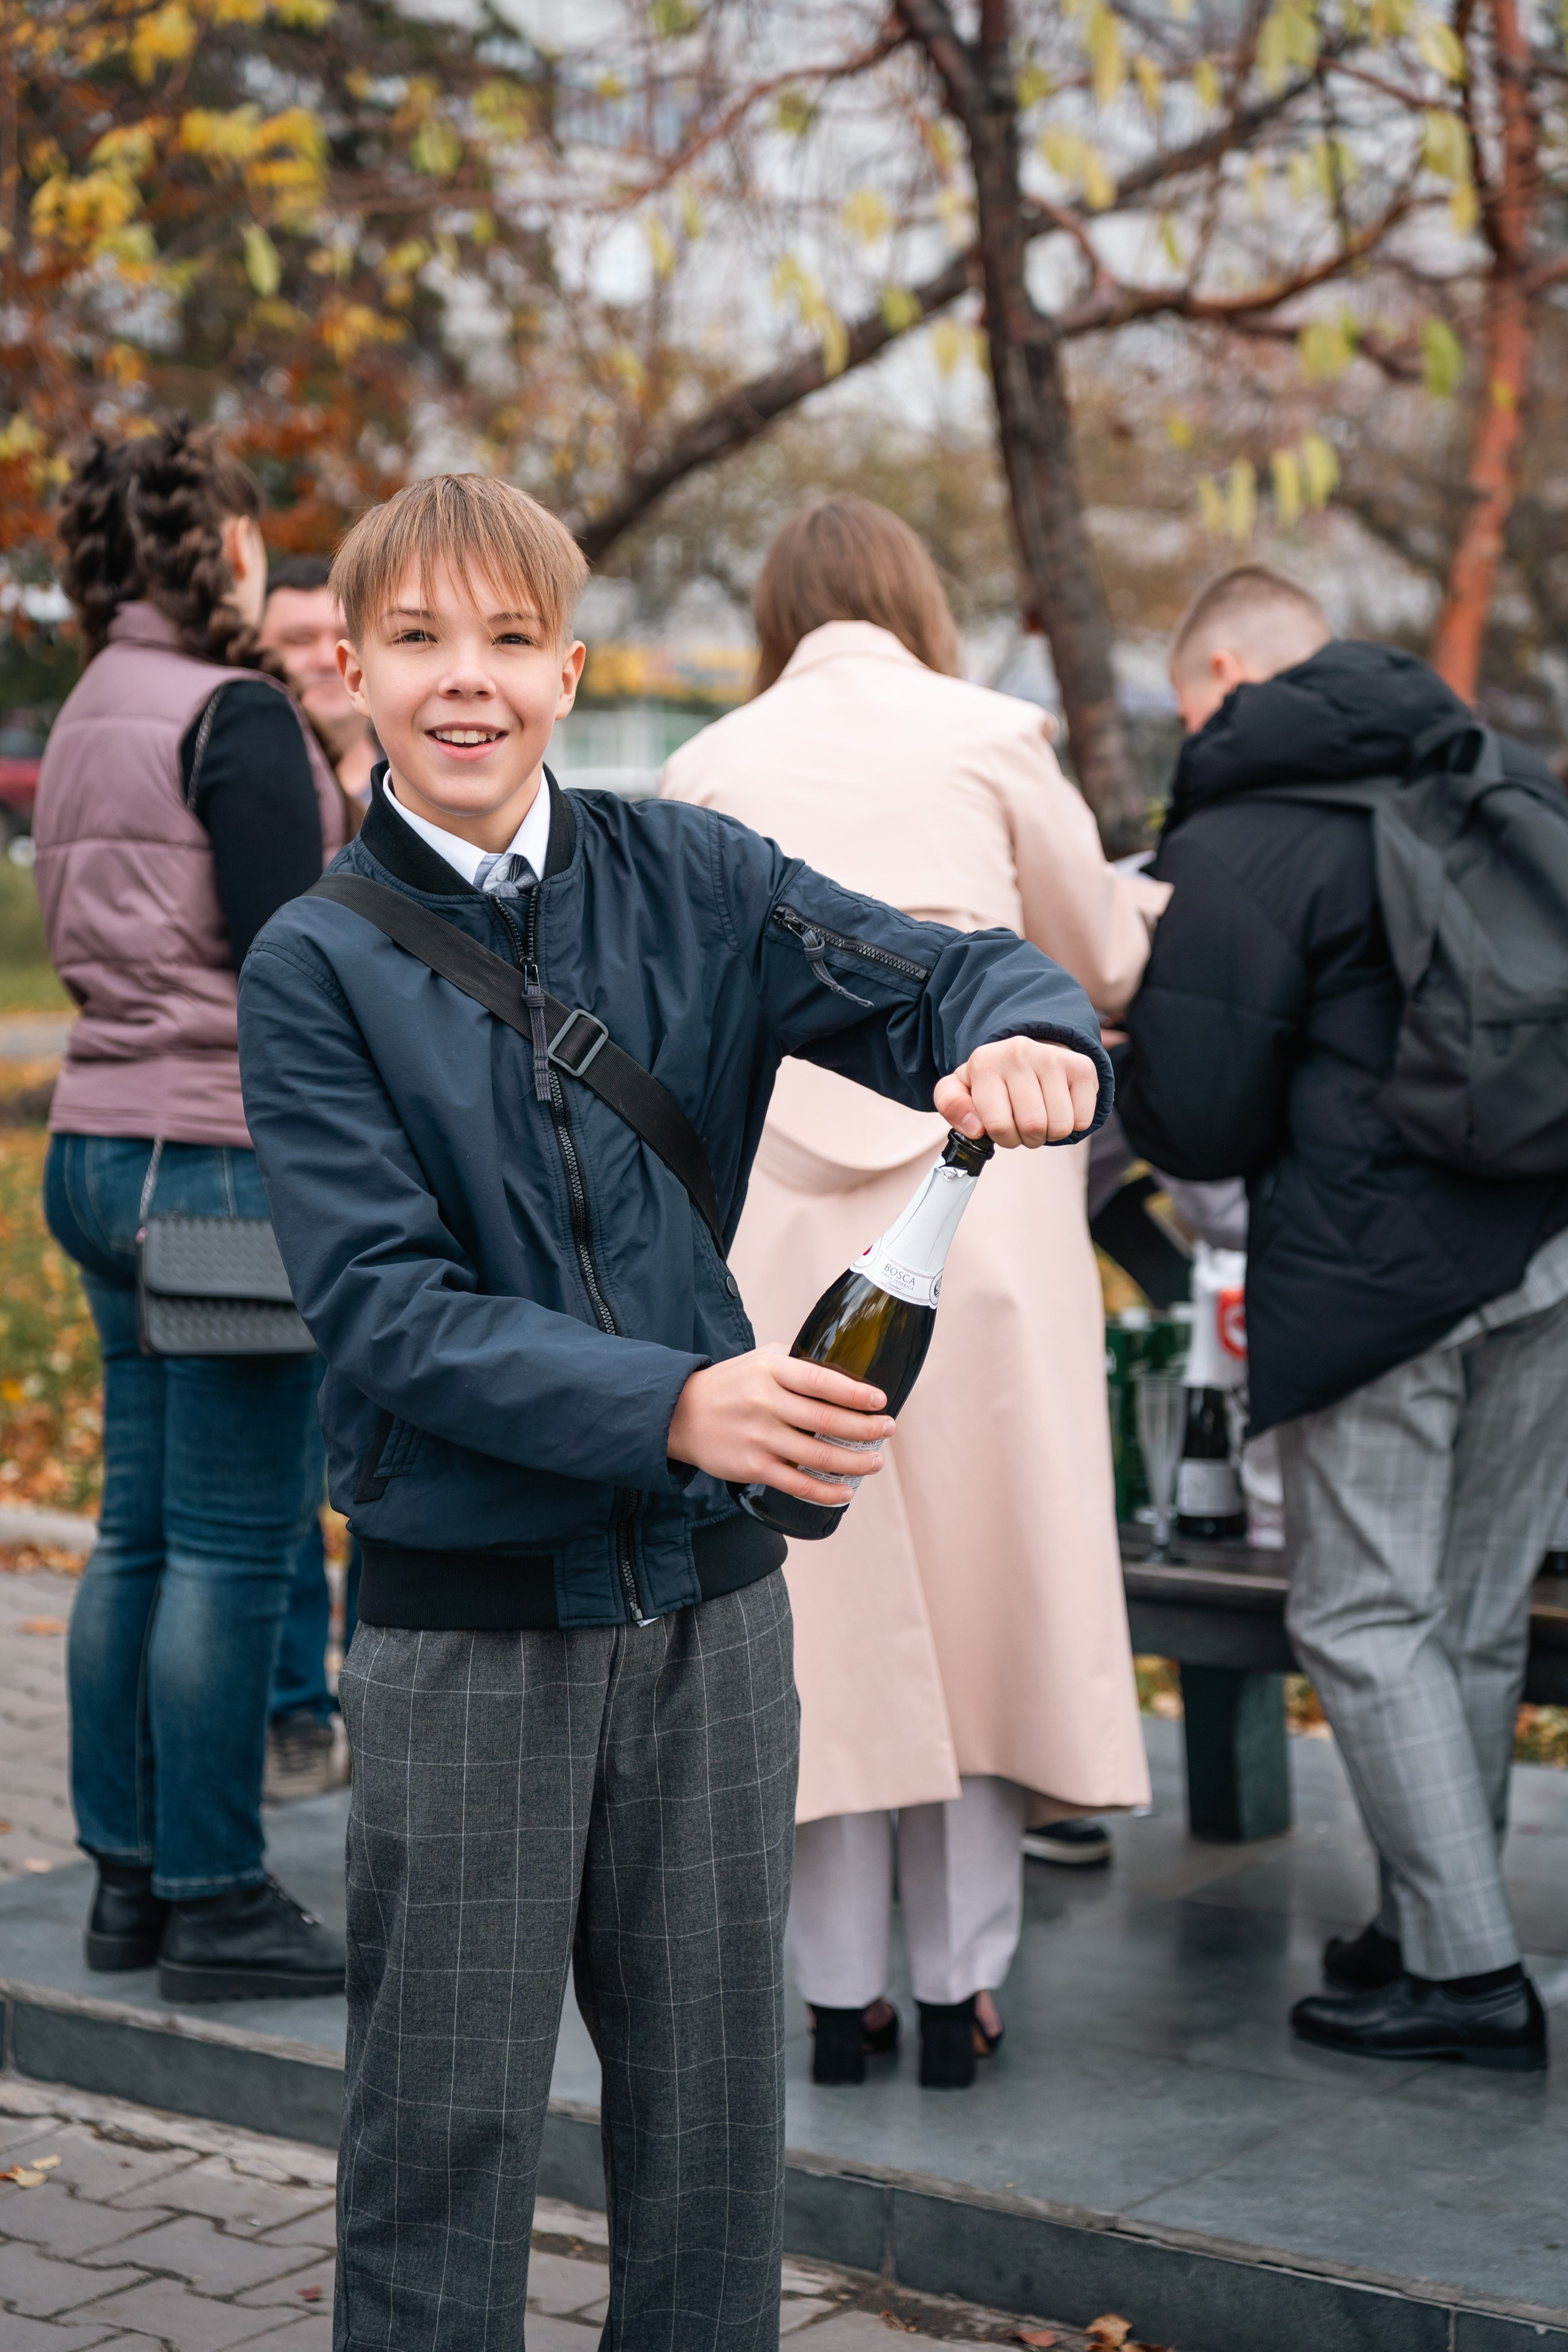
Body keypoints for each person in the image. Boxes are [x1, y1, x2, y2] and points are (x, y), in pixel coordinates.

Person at [235, 472, 1115, 2343]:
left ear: (565, 665)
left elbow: (947, 964)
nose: (461, 683)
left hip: (714, 1608)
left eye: (500, 639)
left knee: (713, 2141)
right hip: (472, 1613)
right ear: (351, 681)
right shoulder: (314, 964)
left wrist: (1031, 1029)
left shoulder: (692, 871)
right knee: (445, 2136)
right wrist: (676, 1406)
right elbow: (385, 1312)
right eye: (413, 640)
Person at [661, 496, 1158, 2088]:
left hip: (780, 1222)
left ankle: (832, 1995)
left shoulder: (707, 763)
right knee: (983, 1575)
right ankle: (962, 1988)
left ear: (779, 612)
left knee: (814, 1591)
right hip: (984, 1200)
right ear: (916, 604)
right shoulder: (995, 731)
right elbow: (1093, 959)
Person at [1118, 563, 1568, 2073]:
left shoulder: (1241, 837)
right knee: (1469, 1613)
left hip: (1379, 1277)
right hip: (1546, 1245)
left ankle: (1463, 1975)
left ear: (1229, 675)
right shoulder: (1483, 764)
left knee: (1362, 1614)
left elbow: (1188, 1118)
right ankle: (1427, 1914)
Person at [33, 423, 349, 2000]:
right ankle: (220, 1896)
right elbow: (297, 965)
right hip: (216, 1162)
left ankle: (128, 1880)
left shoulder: (88, 704)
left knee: (139, 1528)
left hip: (92, 1147)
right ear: (218, 544)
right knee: (232, 1545)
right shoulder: (238, 715)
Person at [257, 555, 371, 1801]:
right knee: (290, 1448)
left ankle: (363, 1690)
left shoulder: (413, 784)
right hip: (298, 1156)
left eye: (315, 639)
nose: (299, 660)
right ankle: (297, 1712)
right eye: (278, 640)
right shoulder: (265, 786)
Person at [258, 552, 378, 801]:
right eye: (300, 639)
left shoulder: (427, 782)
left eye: (347, 636)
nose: (327, 660)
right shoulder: (232, 790)